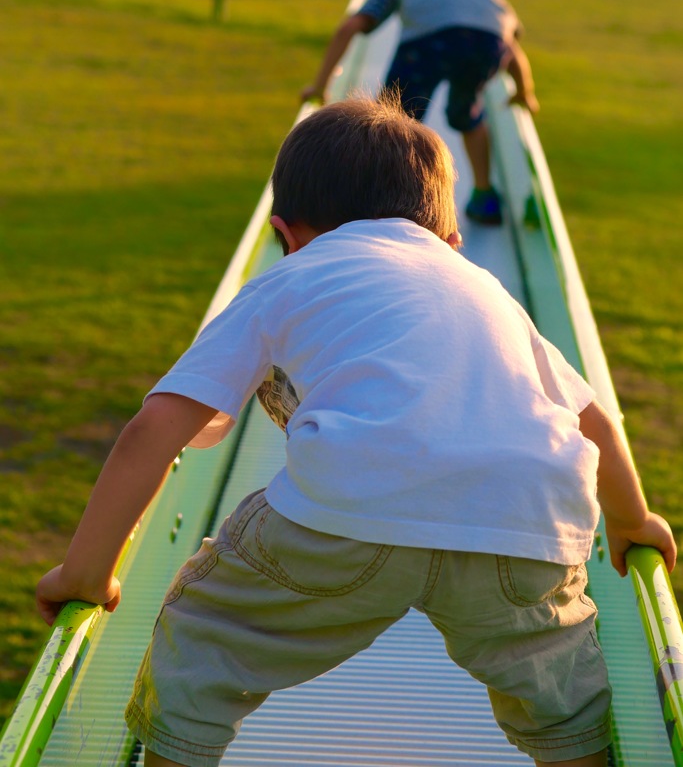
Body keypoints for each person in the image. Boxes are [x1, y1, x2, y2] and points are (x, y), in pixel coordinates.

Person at [36, 97, 675, 767]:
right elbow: (590, 416)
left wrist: (86, 573)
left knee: (203, 638)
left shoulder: (289, 277)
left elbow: (158, 426)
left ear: (287, 233)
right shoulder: (485, 289)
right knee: (558, 695)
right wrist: (632, 522)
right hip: (527, 525)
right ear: (448, 240)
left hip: (347, 511)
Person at [303, 0, 539, 226]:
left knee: (394, 122)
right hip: (488, 43)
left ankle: (387, 200)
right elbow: (510, 46)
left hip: (427, 43)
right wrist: (525, 91)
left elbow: (350, 27)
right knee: (468, 114)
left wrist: (320, 86)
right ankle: (485, 198)